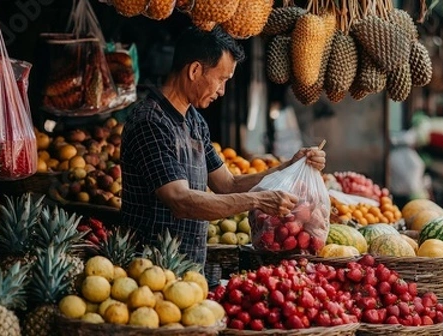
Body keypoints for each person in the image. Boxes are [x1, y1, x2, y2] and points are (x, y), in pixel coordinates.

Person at [120, 26, 326, 268]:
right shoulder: (150, 122)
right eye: (221, 79)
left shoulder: (194, 121)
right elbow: (180, 200)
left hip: (188, 269)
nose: (222, 91)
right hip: (148, 271)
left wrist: (290, 165)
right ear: (195, 70)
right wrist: (257, 200)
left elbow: (227, 185)